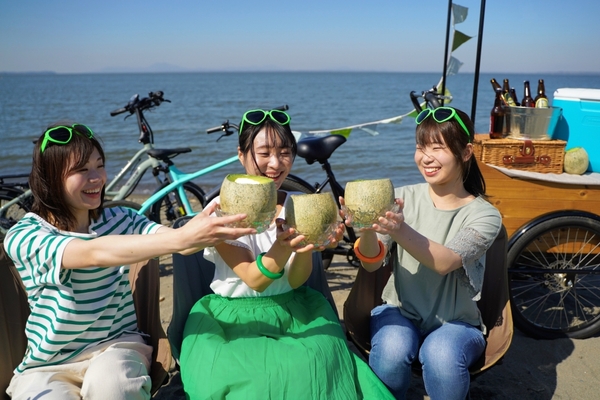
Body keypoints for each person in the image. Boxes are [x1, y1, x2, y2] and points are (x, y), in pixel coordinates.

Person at [3, 121, 255, 400]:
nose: (97, 178)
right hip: (49, 365)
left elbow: (174, 242)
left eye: (100, 165)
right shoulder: (26, 235)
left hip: (117, 348)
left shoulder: (122, 218)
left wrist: (212, 227)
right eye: (81, 170)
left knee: (113, 387)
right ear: (50, 178)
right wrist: (182, 238)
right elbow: (91, 253)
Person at [179, 109, 394, 399]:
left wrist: (307, 247)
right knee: (254, 380)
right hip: (232, 318)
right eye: (264, 153)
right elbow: (254, 279)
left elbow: (295, 280)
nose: (276, 163)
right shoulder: (221, 210)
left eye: (284, 152)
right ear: (241, 155)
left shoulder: (299, 203)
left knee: (315, 365)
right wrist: (283, 246)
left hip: (294, 308)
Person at [350, 107, 502, 400]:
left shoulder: (484, 214)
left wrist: (398, 228)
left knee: (441, 354)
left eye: (437, 148)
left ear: (466, 152)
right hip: (400, 312)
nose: (426, 157)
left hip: (456, 324)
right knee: (391, 350)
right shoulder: (402, 197)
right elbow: (371, 264)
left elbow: (445, 262)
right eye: (421, 147)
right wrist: (366, 229)